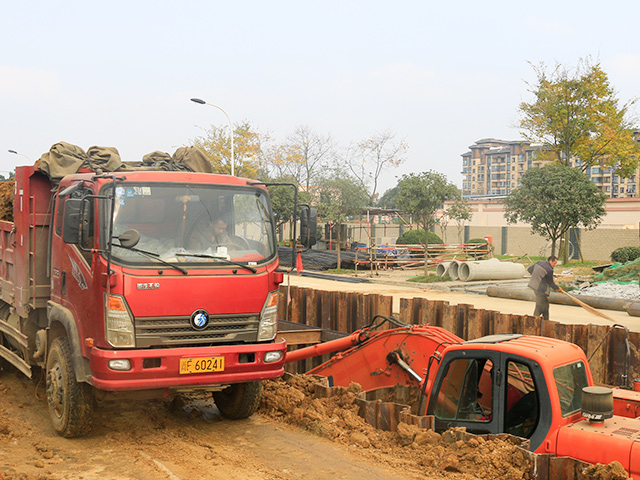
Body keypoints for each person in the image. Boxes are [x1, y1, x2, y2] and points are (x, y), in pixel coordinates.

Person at [527, 255, 563, 320]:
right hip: (541, 289)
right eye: (554, 263)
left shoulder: (539, 263)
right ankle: (540, 320)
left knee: (542, 305)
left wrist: (537, 276)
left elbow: (529, 270)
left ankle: (540, 320)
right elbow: (550, 282)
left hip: (534, 286)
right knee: (542, 306)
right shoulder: (549, 269)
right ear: (550, 261)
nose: (554, 265)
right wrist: (557, 288)